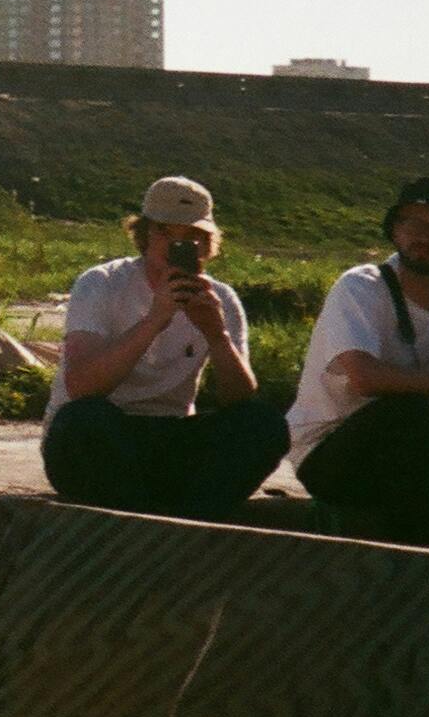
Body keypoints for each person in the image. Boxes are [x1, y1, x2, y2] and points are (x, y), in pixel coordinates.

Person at [41, 177, 290, 519]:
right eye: (165, 233)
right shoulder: (102, 283)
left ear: (207, 244)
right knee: (84, 420)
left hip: (169, 434)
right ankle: (142, 515)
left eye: (191, 236)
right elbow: (81, 386)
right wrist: (154, 320)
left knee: (263, 423)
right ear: (144, 234)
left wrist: (217, 335)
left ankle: (194, 517)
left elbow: (239, 399)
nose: (177, 245)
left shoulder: (221, 299)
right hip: (104, 437)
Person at [288, 178, 429, 542]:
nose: (424, 236)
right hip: (330, 451)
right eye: (413, 223)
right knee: (404, 412)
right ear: (395, 231)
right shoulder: (359, 286)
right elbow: (365, 378)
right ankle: (420, 550)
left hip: (412, 440)